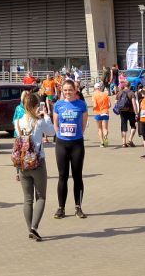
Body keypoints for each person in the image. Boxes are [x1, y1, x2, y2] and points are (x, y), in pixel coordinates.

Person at [14, 91, 55, 241]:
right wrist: (46, 116)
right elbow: (51, 132)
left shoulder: (17, 122)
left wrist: (17, 170)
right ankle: (34, 227)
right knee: (41, 197)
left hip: (23, 164)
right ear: (37, 106)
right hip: (37, 163)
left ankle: (29, 228)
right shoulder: (39, 121)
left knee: (27, 199)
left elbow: (18, 145)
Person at [52, 80, 88, 218]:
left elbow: (83, 124)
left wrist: (77, 134)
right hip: (62, 144)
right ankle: (61, 208)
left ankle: (78, 207)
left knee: (77, 176)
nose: (67, 92)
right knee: (62, 176)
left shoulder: (81, 104)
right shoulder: (58, 105)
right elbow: (56, 124)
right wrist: (61, 135)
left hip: (77, 144)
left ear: (75, 90)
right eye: (65, 90)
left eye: (70, 90)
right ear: (62, 91)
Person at [116, 82, 136, 147]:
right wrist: (136, 112)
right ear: (129, 86)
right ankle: (130, 139)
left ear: (124, 86)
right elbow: (134, 104)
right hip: (131, 111)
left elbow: (116, 102)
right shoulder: (132, 93)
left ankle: (123, 143)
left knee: (123, 127)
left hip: (122, 111)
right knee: (133, 126)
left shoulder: (120, 93)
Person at [91, 83, 111, 147]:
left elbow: (95, 105)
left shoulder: (94, 95)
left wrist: (93, 108)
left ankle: (102, 143)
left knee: (99, 128)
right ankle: (105, 137)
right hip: (105, 112)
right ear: (100, 88)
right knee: (105, 128)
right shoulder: (105, 94)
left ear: (94, 88)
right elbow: (110, 105)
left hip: (98, 113)